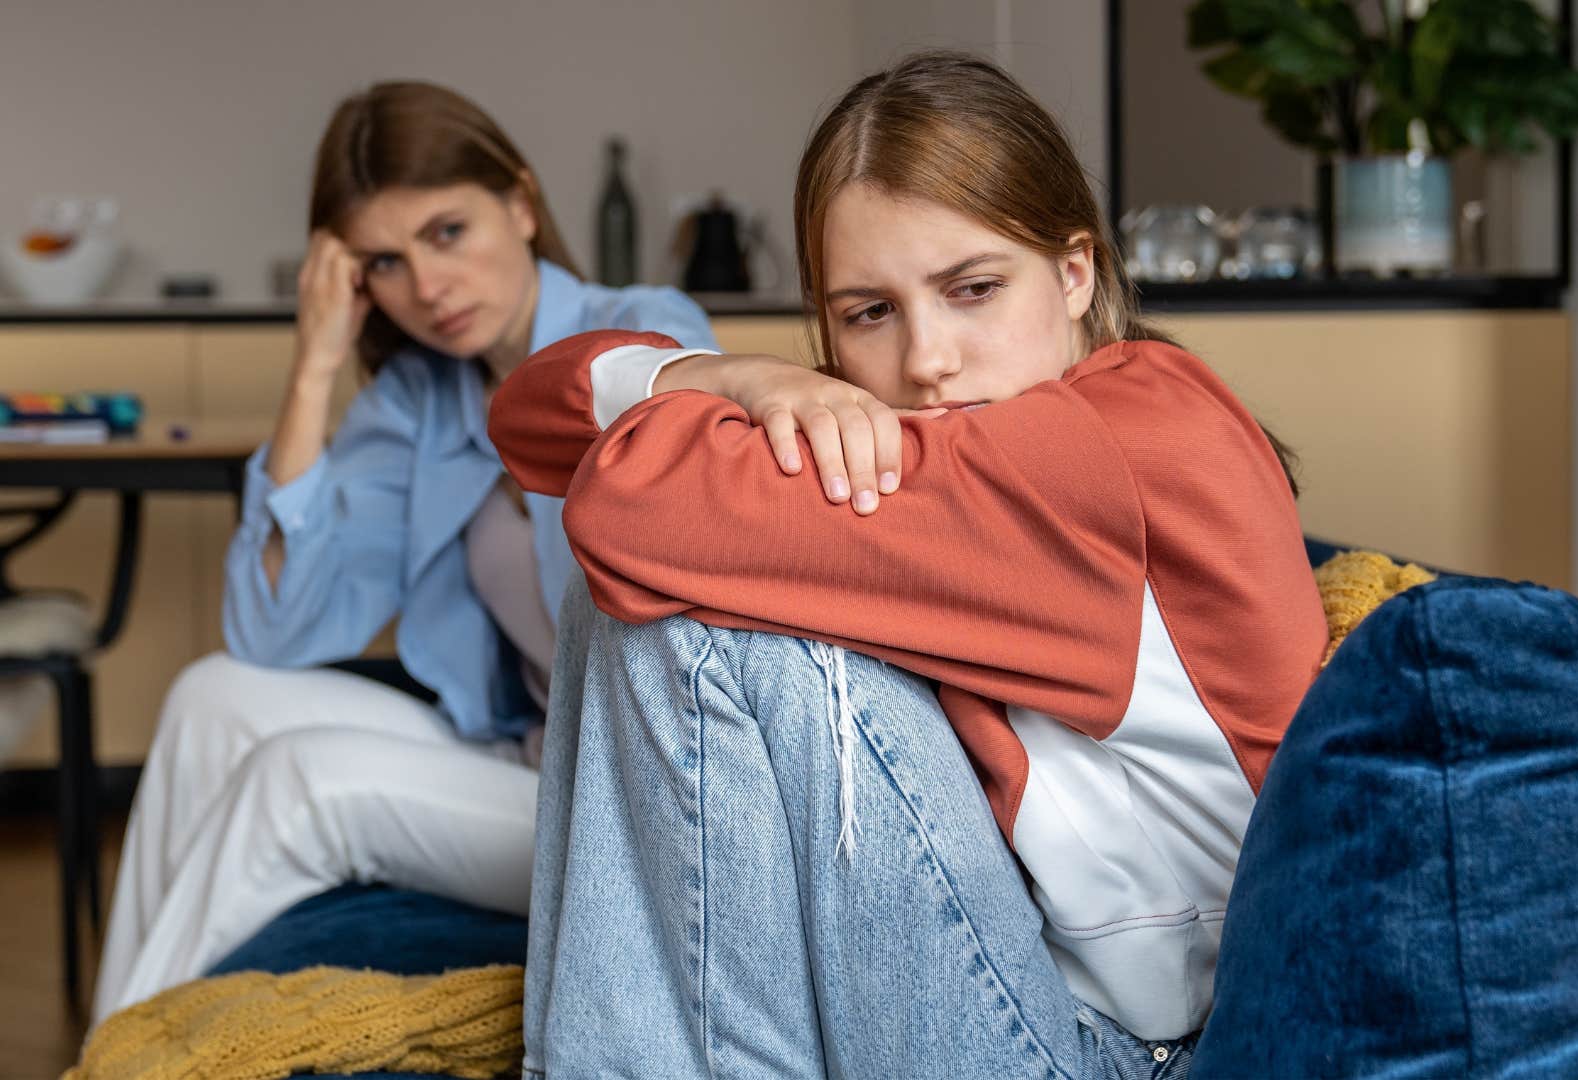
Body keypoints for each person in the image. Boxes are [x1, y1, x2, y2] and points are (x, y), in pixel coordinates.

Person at [490, 51, 1327, 1078]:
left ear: (1077, 272)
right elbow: (526, 422)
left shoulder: (1111, 449)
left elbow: (622, 512)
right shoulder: (987, 448)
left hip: (1133, 1056)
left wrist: (725, 401)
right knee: (670, 592)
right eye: (869, 314)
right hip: (1049, 999)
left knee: (696, 615)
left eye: (973, 290)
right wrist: (730, 374)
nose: (926, 361)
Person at [92, 80, 717, 1024]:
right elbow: (272, 631)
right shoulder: (423, 400)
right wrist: (312, 367)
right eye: (386, 260)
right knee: (210, 698)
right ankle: (127, 1042)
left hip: (628, 804)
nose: (426, 288)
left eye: (447, 232)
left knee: (295, 781)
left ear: (519, 202)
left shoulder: (643, 331)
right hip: (514, 757)